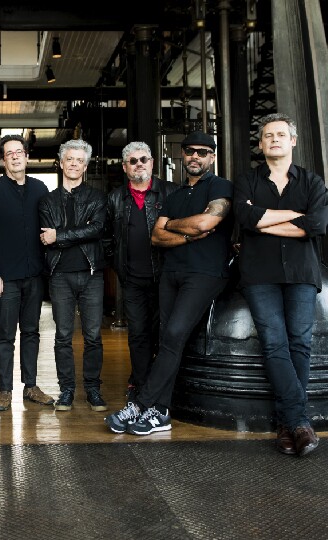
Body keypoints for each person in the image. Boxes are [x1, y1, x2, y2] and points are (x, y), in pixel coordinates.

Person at [105, 131, 233, 435]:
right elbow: (157, 236)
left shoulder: (220, 186)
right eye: (190, 151)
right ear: (182, 155)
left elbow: (206, 222)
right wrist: (187, 232)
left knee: (174, 335)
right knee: (167, 341)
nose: (195, 156)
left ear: (212, 157)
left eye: (203, 152)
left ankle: (141, 404)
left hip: (204, 273)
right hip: (172, 273)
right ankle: (160, 412)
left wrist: (174, 225)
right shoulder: (175, 196)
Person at [234, 113, 328, 457]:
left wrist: (263, 220)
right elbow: (244, 218)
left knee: (300, 343)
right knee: (274, 343)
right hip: (259, 273)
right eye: (268, 135)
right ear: (261, 144)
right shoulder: (247, 181)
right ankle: (299, 422)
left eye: (281, 134)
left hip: (301, 272)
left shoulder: (312, 181)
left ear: (293, 141)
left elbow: (317, 224)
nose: (274, 139)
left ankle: (288, 426)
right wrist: (295, 217)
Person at [0, 134, 54, 412]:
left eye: (19, 152)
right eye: (9, 153)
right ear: (4, 160)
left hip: (34, 274)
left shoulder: (40, 188)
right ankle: (5, 390)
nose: (15, 156)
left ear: (26, 156)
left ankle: (30, 387)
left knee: (32, 332)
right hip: (5, 278)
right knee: (5, 335)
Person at [105, 141, 178, 402]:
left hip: (166, 278)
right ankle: (139, 383)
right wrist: (118, 266)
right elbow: (107, 238)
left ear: (152, 163)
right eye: (133, 161)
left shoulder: (170, 192)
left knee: (165, 333)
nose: (139, 165)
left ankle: (161, 386)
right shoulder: (115, 198)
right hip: (132, 280)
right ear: (125, 167)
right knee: (138, 334)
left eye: (143, 159)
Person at [39, 138, 108, 412]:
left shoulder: (97, 197)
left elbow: (97, 229)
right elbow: (47, 238)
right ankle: (66, 389)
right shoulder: (47, 200)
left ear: (86, 166)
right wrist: (81, 230)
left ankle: (93, 389)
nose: (74, 164)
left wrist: (61, 235)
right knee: (63, 336)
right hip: (60, 275)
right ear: (61, 163)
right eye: (70, 159)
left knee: (93, 336)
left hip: (91, 275)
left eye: (80, 160)